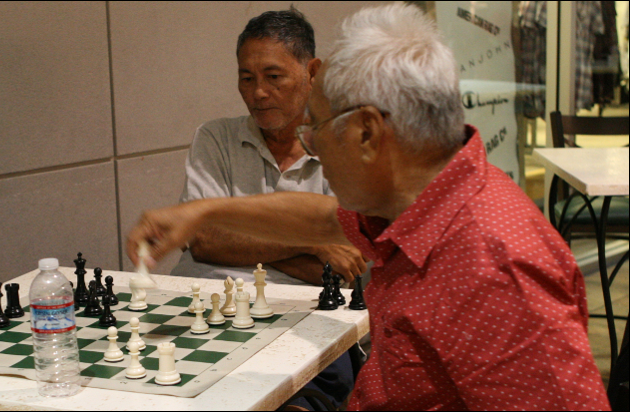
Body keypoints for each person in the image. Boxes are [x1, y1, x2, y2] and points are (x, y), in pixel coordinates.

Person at [128, 4, 610, 410]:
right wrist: (202, 213)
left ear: (366, 133)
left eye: (315, 126)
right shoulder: (425, 201)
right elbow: (319, 218)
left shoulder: (494, 268)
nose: (307, 140)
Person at [171, 7, 367, 287]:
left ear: (313, 72)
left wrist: (240, 244)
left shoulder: (345, 146)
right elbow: (203, 240)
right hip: (206, 303)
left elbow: (342, 269)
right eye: (247, 78)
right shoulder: (216, 137)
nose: (258, 93)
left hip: (301, 317)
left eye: (273, 77)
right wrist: (312, 243)